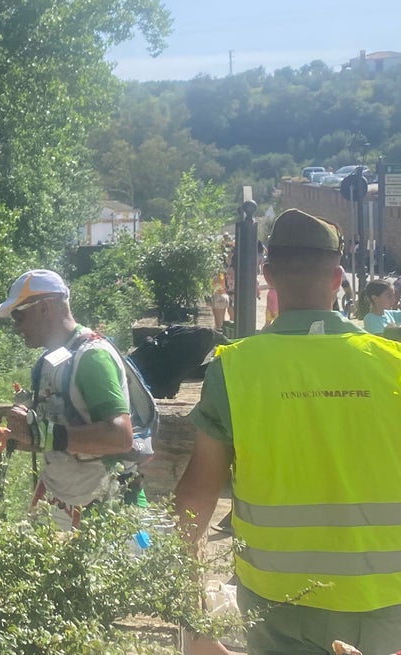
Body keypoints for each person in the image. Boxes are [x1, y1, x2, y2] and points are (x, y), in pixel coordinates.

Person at [174, 209, 401, 655]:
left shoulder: (234, 369)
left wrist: (189, 611)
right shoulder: (393, 363)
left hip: (278, 605)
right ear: (338, 278)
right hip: (386, 602)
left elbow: (196, 495)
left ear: (268, 276)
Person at [0, 269, 140, 529]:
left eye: (18, 315)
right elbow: (53, 437)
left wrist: (45, 436)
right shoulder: (47, 364)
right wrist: (0, 434)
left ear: (44, 308)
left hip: (105, 504)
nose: (16, 326)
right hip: (64, 500)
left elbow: (121, 437)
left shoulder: (92, 358)